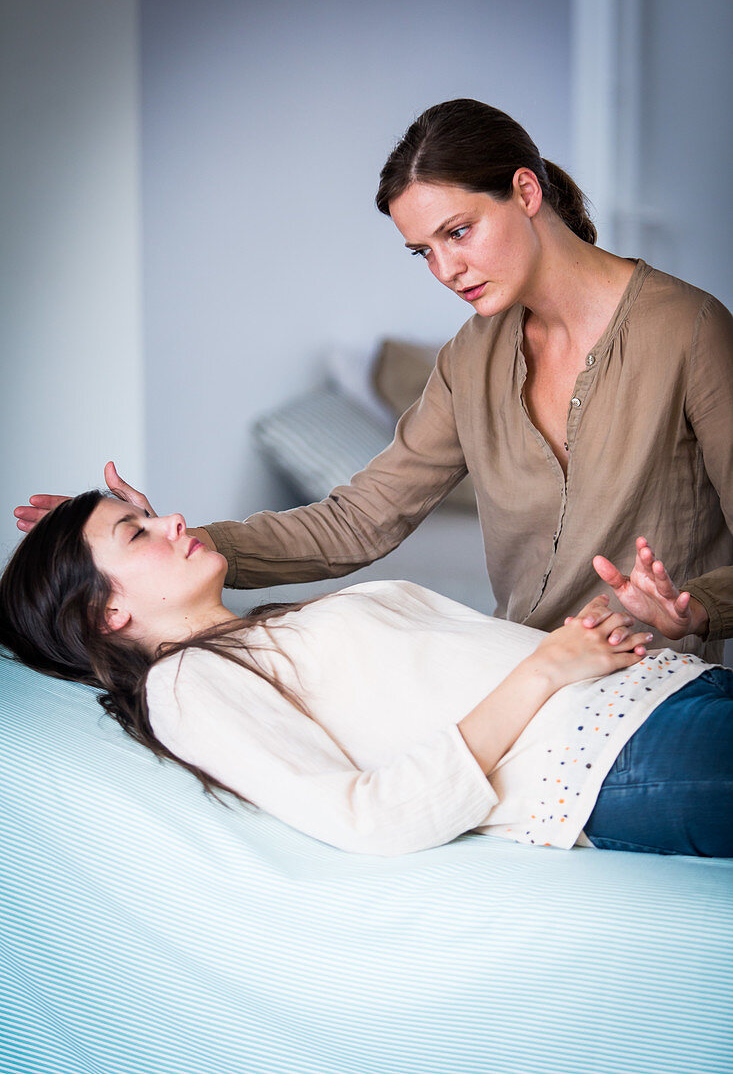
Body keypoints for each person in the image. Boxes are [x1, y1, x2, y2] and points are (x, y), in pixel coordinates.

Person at [15, 100, 733, 660]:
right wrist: (166, 548)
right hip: (522, 677)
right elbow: (359, 520)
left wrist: (694, 607)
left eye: (458, 232)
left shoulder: (687, 330)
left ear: (524, 190)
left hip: (661, 684)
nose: (445, 272)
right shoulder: (468, 359)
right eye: (421, 252)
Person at [2, 490, 731, 858]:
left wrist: (639, 629)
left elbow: (453, 679)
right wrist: (542, 672)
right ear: (105, 614)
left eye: (150, 512)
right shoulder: (183, 686)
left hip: (664, 695)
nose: (173, 521)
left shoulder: (261, 631)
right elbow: (368, 816)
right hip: (621, 756)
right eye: (138, 531)